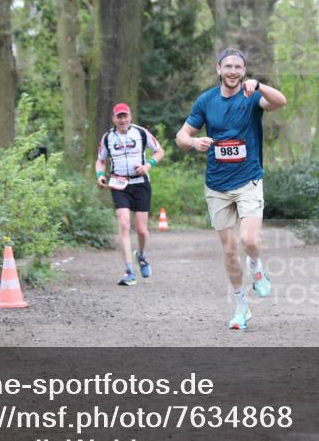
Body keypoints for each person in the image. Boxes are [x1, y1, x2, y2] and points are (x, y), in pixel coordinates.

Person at [175, 48, 287, 330]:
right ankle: (241, 306)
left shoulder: (251, 97)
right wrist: (193, 143)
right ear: (219, 69)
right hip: (217, 185)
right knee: (228, 251)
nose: (233, 71)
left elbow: (280, 102)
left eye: (238, 67)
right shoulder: (206, 101)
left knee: (249, 241)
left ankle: (256, 267)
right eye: (228, 66)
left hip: (248, 179)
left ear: (244, 71)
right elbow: (181, 136)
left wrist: (260, 85)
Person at [96, 103, 165, 286]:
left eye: (125, 116)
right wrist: (100, 175)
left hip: (141, 183)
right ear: (113, 119)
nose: (122, 120)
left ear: (130, 117)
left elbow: (159, 151)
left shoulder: (141, 132)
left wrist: (148, 165)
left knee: (142, 230)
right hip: (119, 184)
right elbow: (101, 161)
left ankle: (141, 256)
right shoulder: (108, 137)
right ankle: (129, 271)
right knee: (124, 224)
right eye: (119, 116)